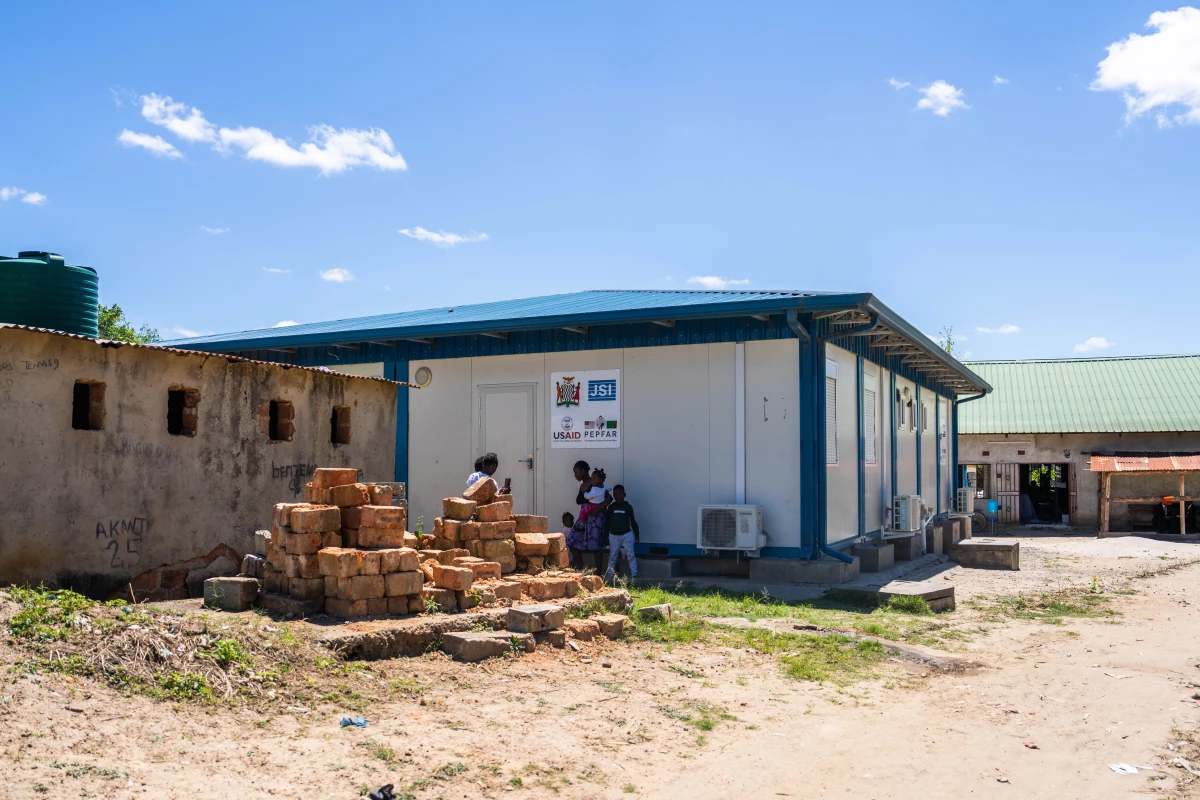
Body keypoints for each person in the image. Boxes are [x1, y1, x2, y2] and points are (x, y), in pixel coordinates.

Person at [566, 460, 607, 572]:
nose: (575, 475)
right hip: (584, 517)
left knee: (596, 547)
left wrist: (597, 510)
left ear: (583, 471)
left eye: (577, 472)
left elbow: (609, 498)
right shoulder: (582, 485)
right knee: (571, 540)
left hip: (596, 518)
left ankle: (599, 575)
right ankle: (581, 568)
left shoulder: (595, 483)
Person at [605, 484, 639, 582]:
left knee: (630, 555)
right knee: (613, 556)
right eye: (615, 495)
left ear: (624, 494)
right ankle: (609, 576)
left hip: (626, 534)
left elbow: (633, 521)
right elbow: (607, 522)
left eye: (620, 494)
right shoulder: (611, 507)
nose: (618, 496)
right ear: (614, 496)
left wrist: (637, 535)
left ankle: (634, 575)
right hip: (613, 535)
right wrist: (605, 535)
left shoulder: (628, 507)